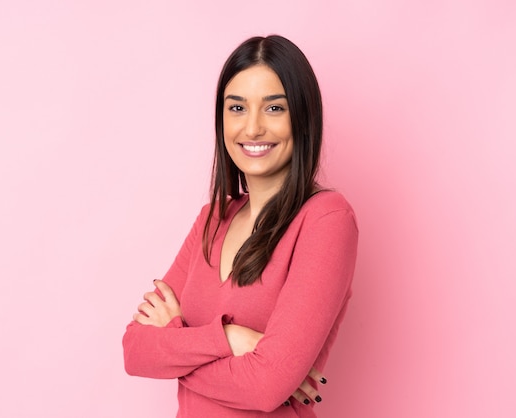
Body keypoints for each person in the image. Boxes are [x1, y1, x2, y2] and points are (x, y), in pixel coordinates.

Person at [122, 35, 358, 418]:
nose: (252, 128)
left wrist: (176, 345)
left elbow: (265, 388)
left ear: (302, 117)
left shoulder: (326, 220)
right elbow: (135, 351)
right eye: (237, 107)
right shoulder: (212, 220)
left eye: (274, 108)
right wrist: (229, 338)